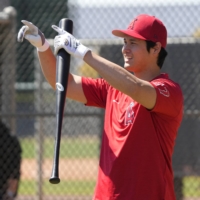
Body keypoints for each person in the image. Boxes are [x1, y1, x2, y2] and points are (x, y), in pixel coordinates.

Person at [17, 14, 183, 200]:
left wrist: (83, 52)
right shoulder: (112, 87)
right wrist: (43, 46)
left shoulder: (169, 91)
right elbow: (66, 83)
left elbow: (135, 88)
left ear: (156, 48)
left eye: (133, 43)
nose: (125, 49)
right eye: (124, 42)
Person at [0, 120, 22, 200]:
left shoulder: (9, 140)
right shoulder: (10, 138)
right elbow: (15, 174)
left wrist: (10, 194)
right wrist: (10, 194)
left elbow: (15, 173)